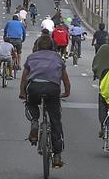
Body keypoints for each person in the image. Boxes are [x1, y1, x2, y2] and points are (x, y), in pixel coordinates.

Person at [20, 35, 71, 168]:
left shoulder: (31, 57)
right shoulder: (57, 57)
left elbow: (24, 77)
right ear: (52, 46)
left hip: (34, 87)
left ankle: (35, 122)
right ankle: (57, 155)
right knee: (55, 120)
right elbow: (64, 77)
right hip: (53, 88)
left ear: (37, 46)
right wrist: (66, 91)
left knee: (30, 103)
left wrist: (22, 92)